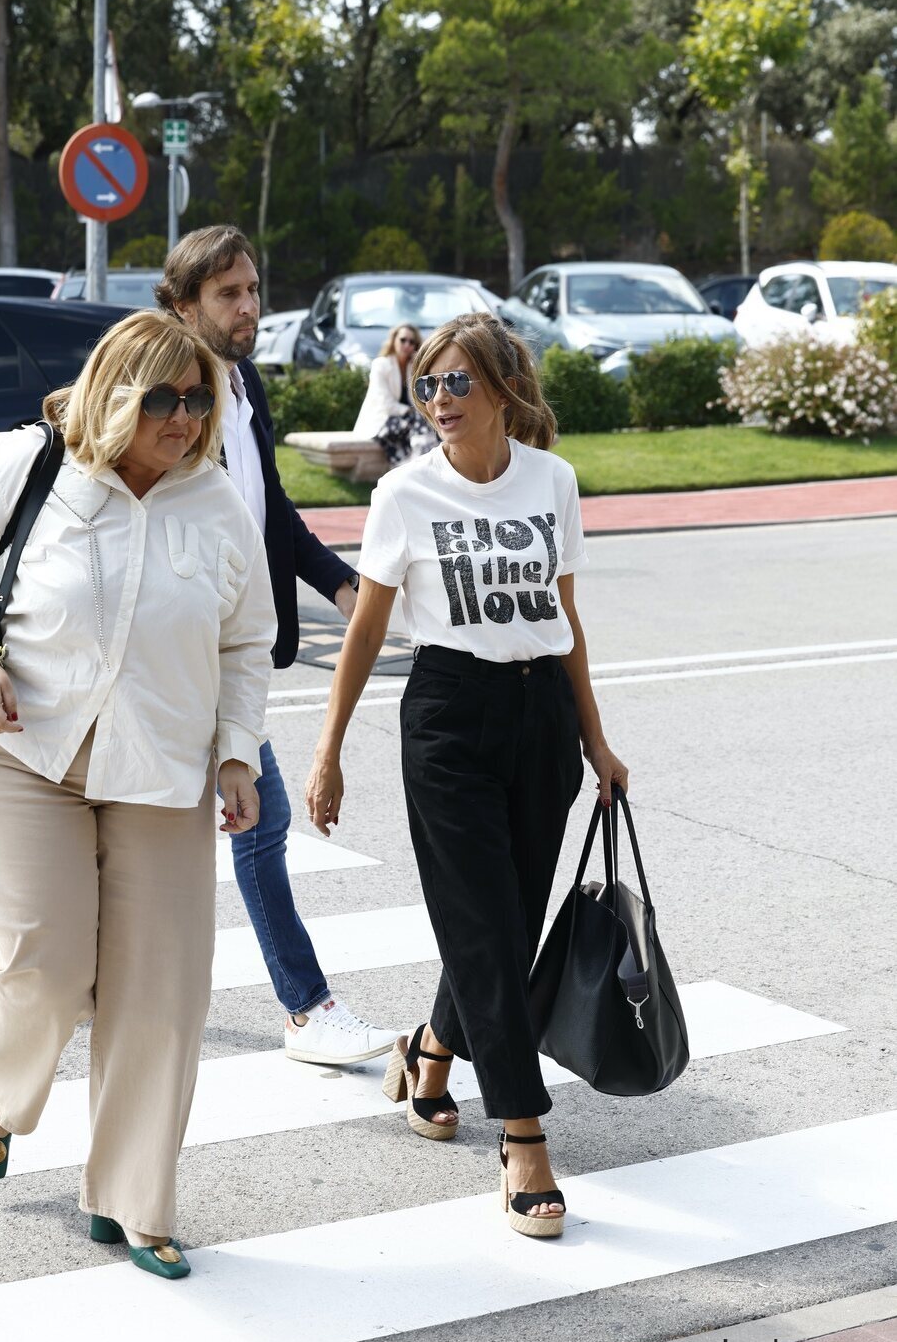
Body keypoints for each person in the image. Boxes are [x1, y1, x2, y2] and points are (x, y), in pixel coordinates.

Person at [0, 309, 276, 1279]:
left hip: (160, 774)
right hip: (24, 755)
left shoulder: (214, 504)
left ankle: (133, 1202)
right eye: (164, 396)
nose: (185, 415)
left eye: (198, 397)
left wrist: (236, 755)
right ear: (117, 392)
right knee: (43, 961)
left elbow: (247, 644)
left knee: (161, 995)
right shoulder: (30, 465)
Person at [305, 312, 628, 1239]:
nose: (439, 401)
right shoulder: (405, 495)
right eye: (427, 386)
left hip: (540, 720)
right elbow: (366, 629)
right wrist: (329, 751)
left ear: (500, 390)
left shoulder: (552, 482)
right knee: (482, 924)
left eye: (456, 385)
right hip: (447, 713)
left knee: (509, 922)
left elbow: (565, 619)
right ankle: (522, 1136)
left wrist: (595, 742)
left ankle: (431, 1046)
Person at [156, 226, 399, 1065]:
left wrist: (345, 587)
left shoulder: (242, 385)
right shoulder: (170, 400)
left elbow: (272, 516)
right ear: (184, 306)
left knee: (205, 827)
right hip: (180, 656)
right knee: (256, 823)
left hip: (230, 653)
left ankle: (92, 981)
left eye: (253, 288)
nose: (250, 306)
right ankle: (307, 1008)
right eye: (229, 294)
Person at [352, 323, 437, 466]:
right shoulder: (381, 365)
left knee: (430, 423)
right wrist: (410, 411)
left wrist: (421, 361)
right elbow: (385, 403)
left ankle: (426, 464)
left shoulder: (413, 367)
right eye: (403, 340)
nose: (407, 345)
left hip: (410, 419)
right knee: (419, 422)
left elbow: (423, 395)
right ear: (394, 340)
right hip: (384, 420)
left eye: (412, 342)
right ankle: (417, 464)